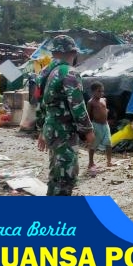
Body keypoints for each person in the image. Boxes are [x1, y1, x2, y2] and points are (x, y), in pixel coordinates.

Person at [36, 35, 95, 196]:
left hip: (51, 129)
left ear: (53, 52)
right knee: (66, 177)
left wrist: (42, 129)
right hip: (64, 132)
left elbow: (39, 103)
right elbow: (77, 105)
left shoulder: (44, 72)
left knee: (56, 173)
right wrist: (88, 130)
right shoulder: (69, 72)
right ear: (73, 52)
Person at [87, 81, 114, 171]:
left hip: (105, 125)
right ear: (93, 92)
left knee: (109, 143)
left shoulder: (104, 100)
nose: (101, 93)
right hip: (96, 125)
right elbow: (88, 116)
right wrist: (89, 129)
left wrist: (106, 113)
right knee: (93, 145)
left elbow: (105, 109)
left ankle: (109, 161)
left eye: (102, 91)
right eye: (99, 91)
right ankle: (91, 162)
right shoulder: (91, 102)